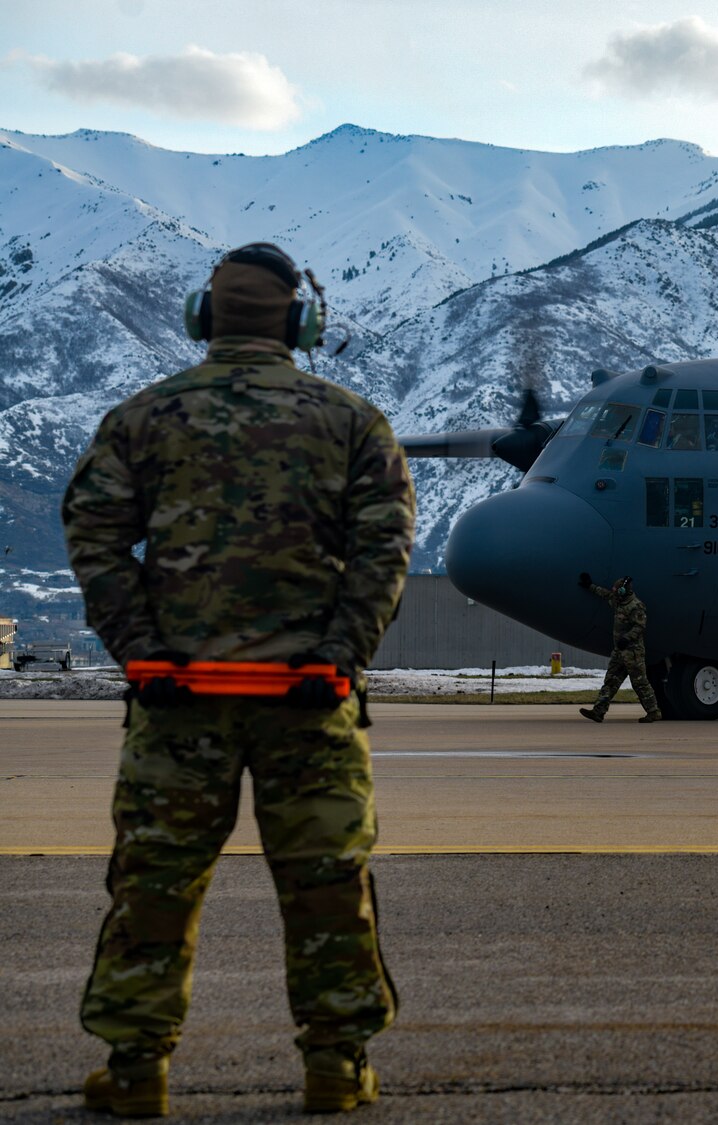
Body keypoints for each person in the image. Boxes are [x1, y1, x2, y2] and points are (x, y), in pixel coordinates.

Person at [62, 242, 412, 1116]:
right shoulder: (352, 421)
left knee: (154, 883)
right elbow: (385, 551)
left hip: (178, 707)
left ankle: (138, 1071)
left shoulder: (143, 417)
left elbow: (94, 536)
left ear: (202, 318)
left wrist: (142, 653)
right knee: (327, 883)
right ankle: (336, 1068)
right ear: (302, 323)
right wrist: (339, 657)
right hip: (308, 705)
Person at [577, 573, 664, 722]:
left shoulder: (636, 606)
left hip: (633, 652)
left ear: (623, 591)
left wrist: (627, 638)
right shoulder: (618, 601)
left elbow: (640, 626)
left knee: (640, 683)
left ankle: (653, 711)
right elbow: (605, 594)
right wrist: (589, 586)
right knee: (611, 680)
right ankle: (598, 711)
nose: (614, 592)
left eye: (616, 589)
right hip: (619, 652)